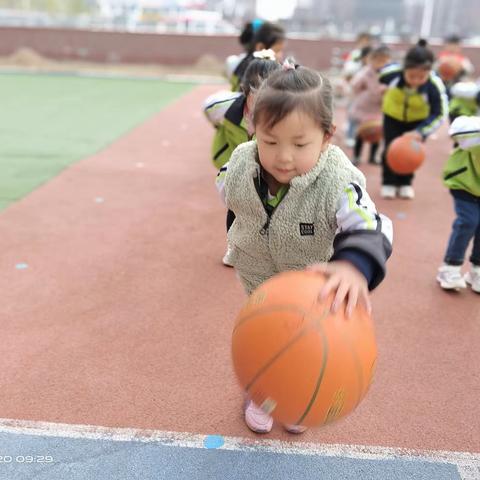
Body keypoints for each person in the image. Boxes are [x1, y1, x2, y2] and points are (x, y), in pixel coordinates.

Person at [216, 63, 393, 434]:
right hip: (259, 276)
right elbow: (226, 187)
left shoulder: (338, 181)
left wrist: (354, 264)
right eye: (270, 141)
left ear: (326, 137)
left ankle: (299, 395)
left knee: (309, 344)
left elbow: (370, 224)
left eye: (299, 145)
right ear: (253, 130)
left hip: (312, 284)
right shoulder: (241, 163)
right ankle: (262, 390)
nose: (283, 157)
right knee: (267, 336)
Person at [204, 53, 281, 265]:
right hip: (233, 163)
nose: (265, 100)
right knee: (236, 205)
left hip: (268, 166)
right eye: (259, 93)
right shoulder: (224, 107)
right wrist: (219, 129)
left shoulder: (283, 112)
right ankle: (235, 246)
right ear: (246, 89)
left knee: (269, 205)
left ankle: (268, 247)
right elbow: (208, 109)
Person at [378, 39, 448, 199]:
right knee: (390, 148)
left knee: (410, 153)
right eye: (411, 76)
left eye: (421, 77)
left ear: (429, 72)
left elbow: (440, 113)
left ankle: (405, 183)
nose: (416, 81)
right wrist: (380, 88)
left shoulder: (434, 85)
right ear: (404, 69)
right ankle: (388, 182)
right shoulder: (391, 73)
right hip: (393, 117)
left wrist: (420, 132)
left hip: (418, 123)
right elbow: (378, 75)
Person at [436, 116, 480, 293]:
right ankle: (450, 267)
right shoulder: (474, 137)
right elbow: (459, 130)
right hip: (463, 183)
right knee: (468, 221)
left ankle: (476, 270)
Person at [349, 45, 392, 165]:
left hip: (378, 108)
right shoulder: (366, 72)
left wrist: (386, 90)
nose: (381, 64)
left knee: (377, 132)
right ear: (371, 60)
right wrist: (362, 91)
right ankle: (357, 156)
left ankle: (372, 156)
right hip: (364, 107)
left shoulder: (388, 73)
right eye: (378, 61)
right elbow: (355, 85)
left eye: (384, 61)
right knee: (361, 133)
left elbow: (392, 86)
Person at [228, 20, 285, 92]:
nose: (281, 55)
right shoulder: (259, 70)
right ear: (260, 47)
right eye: (277, 50)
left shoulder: (244, 63)